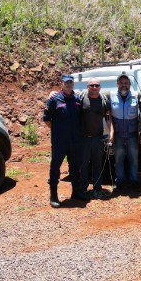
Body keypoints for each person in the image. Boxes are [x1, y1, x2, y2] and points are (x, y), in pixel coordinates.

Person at [43, 75, 84, 207]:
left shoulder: (77, 99)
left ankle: (76, 192)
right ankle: (54, 196)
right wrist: (57, 131)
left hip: (75, 141)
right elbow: (47, 119)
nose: (68, 85)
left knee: (75, 167)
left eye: (71, 83)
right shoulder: (54, 99)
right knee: (55, 167)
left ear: (73, 84)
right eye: (66, 83)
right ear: (61, 84)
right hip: (60, 141)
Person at [78, 77, 111, 199]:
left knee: (98, 165)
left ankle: (97, 189)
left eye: (97, 85)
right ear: (87, 87)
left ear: (100, 87)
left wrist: (111, 133)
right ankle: (82, 190)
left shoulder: (103, 100)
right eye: (91, 85)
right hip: (84, 139)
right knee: (84, 165)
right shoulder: (81, 98)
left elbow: (108, 118)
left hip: (98, 138)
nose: (94, 87)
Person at [109, 74, 140, 191]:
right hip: (118, 135)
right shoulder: (111, 96)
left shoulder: (136, 96)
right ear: (117, 84)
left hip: (132, 134)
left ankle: (135, 182)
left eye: (126, 83)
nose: (123, 85)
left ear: (129, 85)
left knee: (134, 160)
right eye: (121, 83)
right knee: (119, 160)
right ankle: (120, 182)